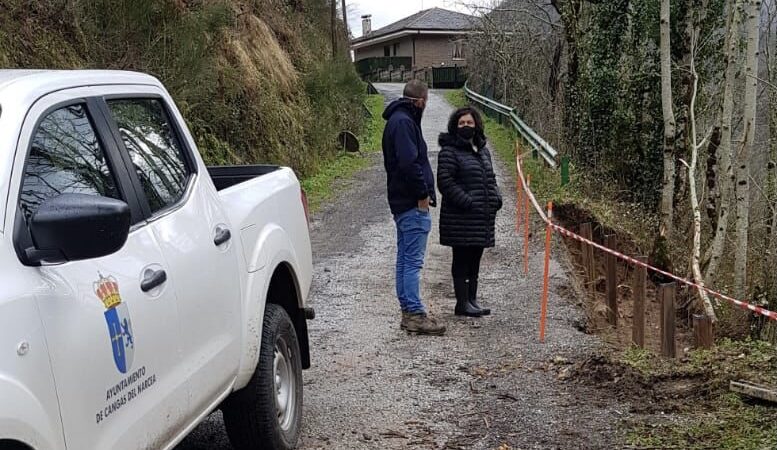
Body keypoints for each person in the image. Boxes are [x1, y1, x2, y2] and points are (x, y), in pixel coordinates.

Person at [381, 80, 446, 335]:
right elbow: (409, 163)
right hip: (410, 202)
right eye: (426, 102)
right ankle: (414, 313)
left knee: (404, 259)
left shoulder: (397, 121)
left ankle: (409, 311)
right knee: (412, 262)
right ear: (420, 101)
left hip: (401, 201)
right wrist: (422, 194)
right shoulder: (405, 123)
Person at [436, 107, 502, 317]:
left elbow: (491, 178)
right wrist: (467, 201)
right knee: (462, 259)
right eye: (462, 123)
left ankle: (472, 300)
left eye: (469, 123)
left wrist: (496, 198)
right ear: (455, 126)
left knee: (475, 259)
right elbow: (445, 182)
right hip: (460, 217)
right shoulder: (449, 151)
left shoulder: (482, 150)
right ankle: (461, 303)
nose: (466, 126)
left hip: (481, 217)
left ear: (476, 125)